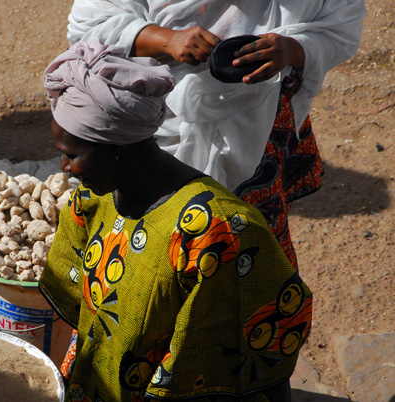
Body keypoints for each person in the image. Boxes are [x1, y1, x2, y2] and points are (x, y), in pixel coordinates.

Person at [40, 39, 313, 402]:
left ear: (117, 149)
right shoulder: (92, 201)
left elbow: (264, 362)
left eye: (71, 156)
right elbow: (85, 317)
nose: (65, 170)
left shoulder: (219, 231)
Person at [64, 0, 366, 269]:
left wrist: (292, 48)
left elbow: (341, 25)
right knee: (153, 240)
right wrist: (166, 39)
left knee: (243, 239)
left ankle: (238, 308)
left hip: (260, 123)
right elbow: (91, 22)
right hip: (156, 121)